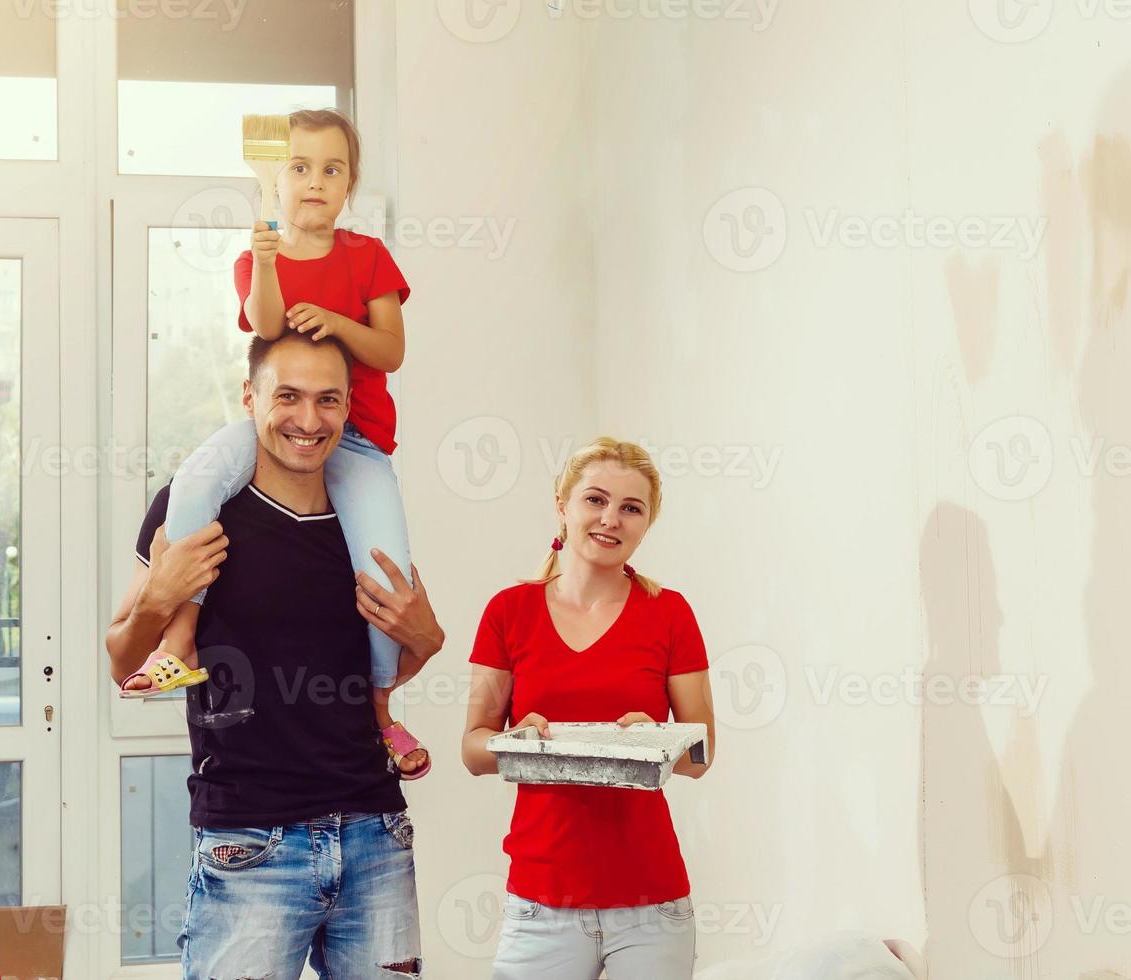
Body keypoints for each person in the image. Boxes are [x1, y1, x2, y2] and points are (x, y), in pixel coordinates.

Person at [106, 329, 445, 979]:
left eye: (328, 401)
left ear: (349, 408)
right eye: (287, 397)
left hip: (375, 832)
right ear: (249, 396)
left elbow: (389, 662)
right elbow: (124, 665)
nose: (308, 420)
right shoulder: (197, 506)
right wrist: (159, 600)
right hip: (249, 840)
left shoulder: (364, 518)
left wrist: (427, 641)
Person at [120, 108, 432, 782]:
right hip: (273, 424)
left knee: (384, 572)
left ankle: (381, 709)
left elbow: (392, 350)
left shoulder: (368, 257)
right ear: (277, 181)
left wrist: (339, 323)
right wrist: (266, 263)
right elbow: (263, 323)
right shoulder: (253, 256)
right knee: (196, 484)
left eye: (331, 169)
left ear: (350, 185)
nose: (314, 181)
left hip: (358, 439)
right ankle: (180, 640)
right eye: (298, 167)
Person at [462, 437, 717, 979]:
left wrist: (655, 740)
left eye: (631, 508)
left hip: (652, 903)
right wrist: (516, 739)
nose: (611, 519)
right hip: (540, 901)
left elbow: (701, 756)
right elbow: (474, 749)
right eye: (595, 500)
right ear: (563, 505)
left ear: (647, 523)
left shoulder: (669, 614)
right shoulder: (509, 611)